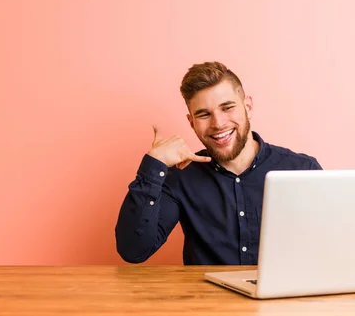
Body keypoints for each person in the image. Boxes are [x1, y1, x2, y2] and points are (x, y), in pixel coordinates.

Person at [115, 61, 322, 265]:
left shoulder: (303, 170)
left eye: (227, 108)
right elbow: (133, 250)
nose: (218, 123)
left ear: (247, 107)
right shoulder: (181, 177)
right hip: (208, 299)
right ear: (192, 123)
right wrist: (154, 165)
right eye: (204, 114)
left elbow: (332, 248)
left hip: (283, 298)